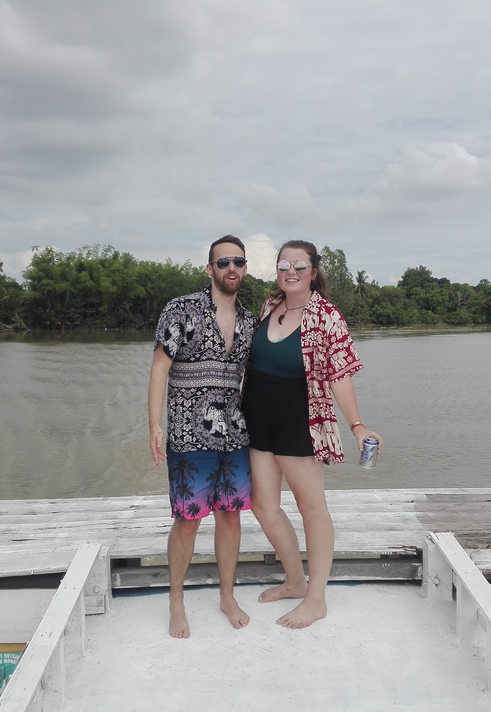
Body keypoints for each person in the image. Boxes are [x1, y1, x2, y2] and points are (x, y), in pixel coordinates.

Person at [242, 239, 382, 629]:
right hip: (257, 415)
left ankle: (316, 598)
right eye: (284, 264)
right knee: (263, 505)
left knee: (311, 508)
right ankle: (294, 580)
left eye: (299, 266)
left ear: (313, 273)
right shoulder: (269, 306)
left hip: (299, 416)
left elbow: (340, 375)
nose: (291, 271)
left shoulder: (326, 316)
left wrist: (357, 425)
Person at [148, 235, 258, 638]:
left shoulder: (249, 319)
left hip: (234, 434)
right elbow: (160, 368)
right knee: (188, 520)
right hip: (188, 435)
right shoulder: (181, 309)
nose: (232, 267)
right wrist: (154, 425)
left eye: (239, 261)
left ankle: (226, 596)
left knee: (230, 518)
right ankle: (176, 600)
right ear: (209, 268)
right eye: (223, 261)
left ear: (245, 269)